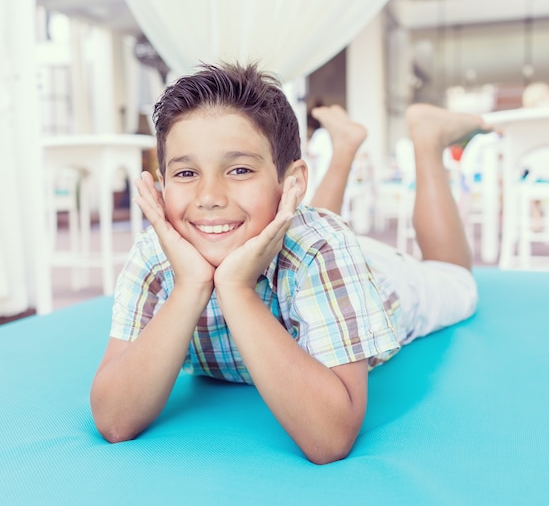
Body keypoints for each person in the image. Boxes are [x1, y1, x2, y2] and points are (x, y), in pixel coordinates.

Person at [90, 63, 481, 465]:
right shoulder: (156, 255)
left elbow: (330, 437)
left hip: (381, 278)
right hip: (284, 241)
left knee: (458, 281)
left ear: (289, 181)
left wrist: (236, 290)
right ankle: (344, 145)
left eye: (239, 169)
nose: (208, 196)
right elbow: (115, 420)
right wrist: (191, 284)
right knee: (267, 227)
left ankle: (427, 139)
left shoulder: (321, 249)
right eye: (187, 172)